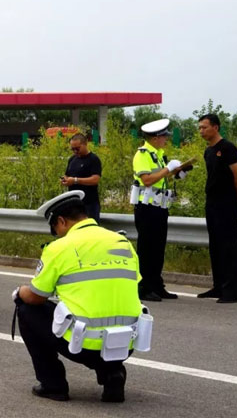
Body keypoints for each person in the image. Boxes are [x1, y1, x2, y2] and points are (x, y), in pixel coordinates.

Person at [12, 190, 146, 403]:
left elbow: (36, 296)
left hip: (83, 345)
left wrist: (19, 292)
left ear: (62, 221)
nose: (57, 235)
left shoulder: (60, 247)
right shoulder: (122, 242)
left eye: (55, 229)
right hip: (125, 344)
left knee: (26, 307)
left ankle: (53, 384)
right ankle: (112, 374)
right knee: (109, 308)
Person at [131, 118, 187, 302]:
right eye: (164, 137)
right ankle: (143, 288)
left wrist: (177, 173)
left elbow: (161, 176)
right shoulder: (142, 155)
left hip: (160, 206)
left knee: (158, 248)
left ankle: (156, 284)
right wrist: (167, 169)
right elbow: (147, 180)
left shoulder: (159, 154)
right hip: (146, 207)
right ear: (155, 138)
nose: (166, 140)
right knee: (147, 249)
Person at [197, 113, 237, 303]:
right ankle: (219, 286)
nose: (201, 131)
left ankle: (231, 291)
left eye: (205, 127)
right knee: (215, 245)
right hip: (212, 202)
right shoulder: (209, 151)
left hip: (227, 202)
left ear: (215, 127)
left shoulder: (227, 148)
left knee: (228, 246)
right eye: (200, 127)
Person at [61, 133, 102, 222]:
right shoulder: (72, 159)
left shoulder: (93, 159)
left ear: (85, 144)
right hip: (74, 203)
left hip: (89, 204)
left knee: (90, 231)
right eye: (72, 149)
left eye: (77, 148)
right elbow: (67, 175)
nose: (75, 151)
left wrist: (75, 180)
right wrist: (65, 180)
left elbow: (95, 179)